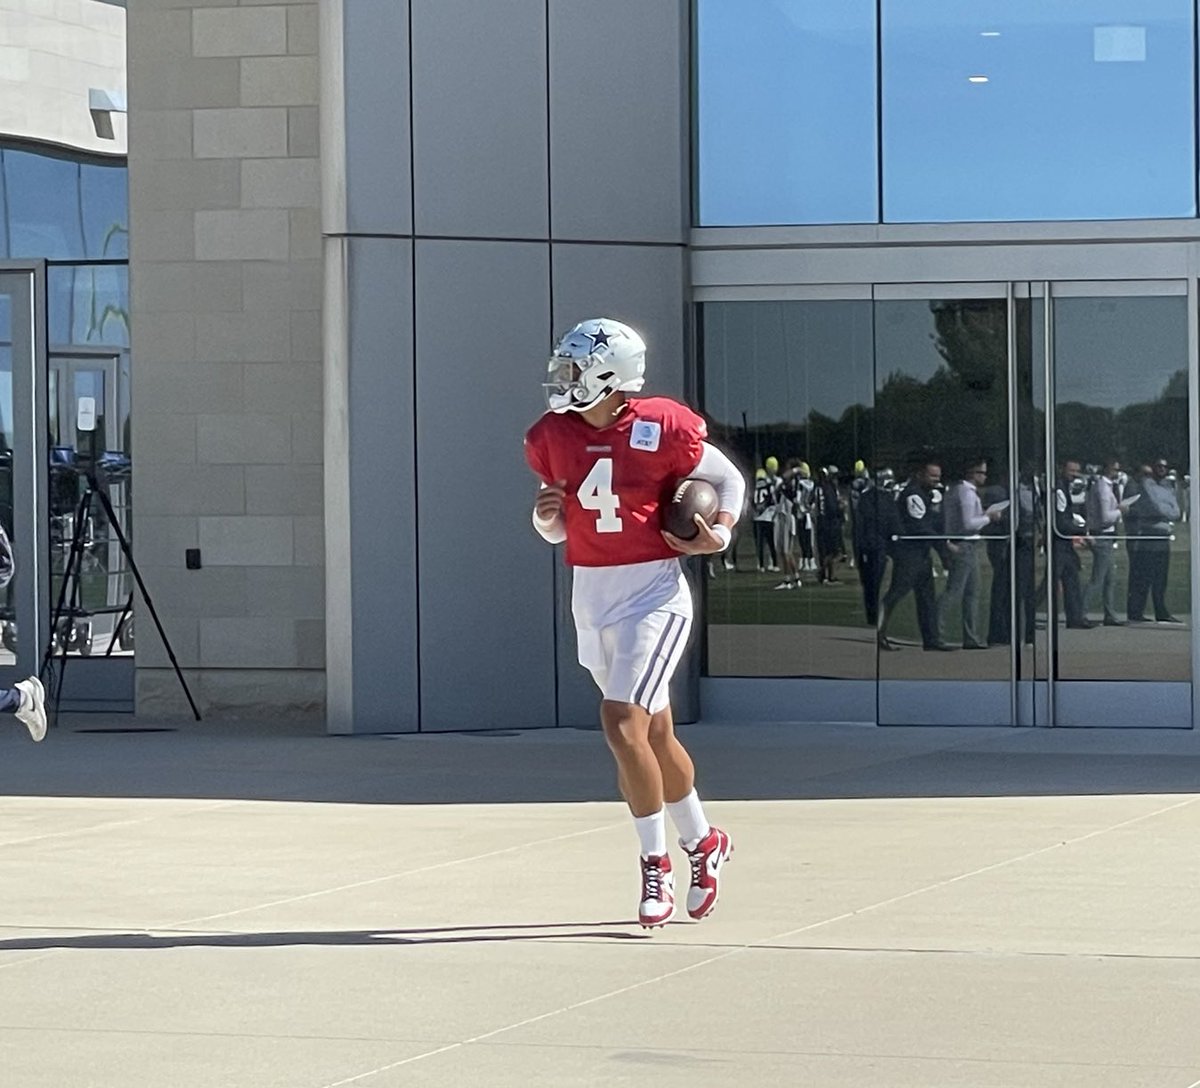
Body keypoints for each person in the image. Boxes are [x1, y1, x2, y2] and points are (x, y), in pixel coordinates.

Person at [524, 317, 744, 929]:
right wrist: (545, 520)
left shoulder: (662, 423)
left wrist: (717, 534)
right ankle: (704, 841)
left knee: (622, 724)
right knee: (654, 738)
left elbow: (727, 478)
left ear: (610, 376)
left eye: (576, 369)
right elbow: (564, 527)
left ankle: (656, 864)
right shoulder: (553, 435)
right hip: (591, 593)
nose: (564, 380)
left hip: (653, 592)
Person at [877, 458, 955, 652]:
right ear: (920, 474)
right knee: (896, 594)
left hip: (921, 553)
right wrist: (944, 548)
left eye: (938, 476)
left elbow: (930, 525)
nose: (937, 480)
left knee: (927, 597)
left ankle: (931, 639)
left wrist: (941, 549)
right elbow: (920, 527)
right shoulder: (913, 495)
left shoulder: (927, 494)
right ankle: (879, 632)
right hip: (909, 554)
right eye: (932, 476)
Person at [937, 459, 1002, 649]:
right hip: (963, 544)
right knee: (954, 591)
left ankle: (971, 637)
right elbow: (968, 523)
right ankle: (937, 632)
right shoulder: (965, 492)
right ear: (972, 473)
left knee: (973, 593)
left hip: (970, 545)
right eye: (982, 473)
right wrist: (988, 518)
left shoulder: (963, 491)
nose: (985, 476)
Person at [1127, 456, 1181, 623]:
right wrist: (1166, 511)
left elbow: (1177, 511)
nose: (1161, 469)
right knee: (1144, 576)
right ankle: (1136, 611)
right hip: (1149, 534)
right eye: (1158, 466)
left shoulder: (1167, 487)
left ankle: (1161, 610)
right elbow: (1155, 506)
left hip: (1164, 535)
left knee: (1161, 577)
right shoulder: (1147, 484)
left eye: (1164, 467)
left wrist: (1166, 511)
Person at [1052, 460, 1096, 630]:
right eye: (1072, 470)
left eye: (1077, 471)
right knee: (1051, 583)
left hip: (1065, 542)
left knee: (1072, 579)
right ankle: (1026, 615)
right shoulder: (1058, 490)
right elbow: (1061, 521)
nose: (1075, 474)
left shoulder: (1064, 488)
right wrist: (1081, 529)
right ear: (1062, 469)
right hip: (1058, 542)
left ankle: (1075, 618)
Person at [1084, 459, 1125, 626]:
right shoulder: (1102, 487)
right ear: (1107, 469)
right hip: (1101, 535)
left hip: (1107, 536)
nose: (1117, 473)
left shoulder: (1108, 487)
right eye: (1115, 470)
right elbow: (1105, 517)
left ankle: (1110, 614)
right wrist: (1120, 511)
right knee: (1098, 578)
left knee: (1110, 578)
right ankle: (1081, 611)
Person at [750, 467, 778, 573]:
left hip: (757, 518)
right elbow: (772, 500)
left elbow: (752, 501)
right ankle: (774, 563)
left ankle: (761, 565)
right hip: (767, 517)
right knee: (771, 542)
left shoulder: (754, 487)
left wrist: (757, 509)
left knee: (759, 544)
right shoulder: (768, 486)